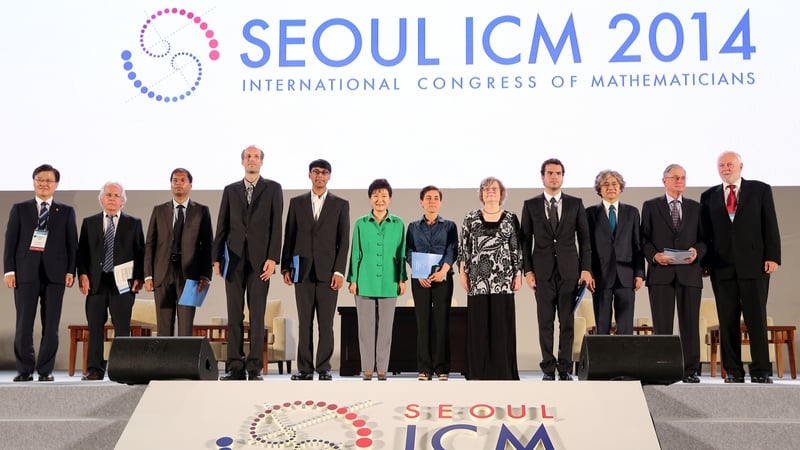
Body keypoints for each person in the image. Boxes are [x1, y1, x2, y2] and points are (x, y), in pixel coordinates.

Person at [700, 151, 781, 384]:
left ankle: (761, 370)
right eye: (721, 165)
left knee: (756, 319)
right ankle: (733, 371)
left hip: (755, 265)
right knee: (727, 320)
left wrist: (773, 256)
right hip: (721, 267)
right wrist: (705, 264)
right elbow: (706, 233)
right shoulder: (708, 196)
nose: (725, 168)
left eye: (730, 164)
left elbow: (770, 224)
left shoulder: (760, 189)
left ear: (741, 166)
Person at [213, 145, 283, 381]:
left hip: (261, 261)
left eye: (256, 157)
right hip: (233, 259)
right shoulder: (230, 190)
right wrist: (216, 258)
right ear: (242, 162)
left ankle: (254, 367)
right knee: (234, 315)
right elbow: (221, 225)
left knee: (257, 314)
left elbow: (276, 225)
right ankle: (234, 365)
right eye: (248, 157)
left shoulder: (273, 188)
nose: (252, 160)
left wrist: (273, 258)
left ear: (262, 162)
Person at [3, 164, 77, 382]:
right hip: (25, 273)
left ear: (56, 185)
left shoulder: (65, 211)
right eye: (40, 179)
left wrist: (70, 270)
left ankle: (46, 370)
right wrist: (9, 270)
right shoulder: (20, 209)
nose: (44, 184)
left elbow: (72, 244)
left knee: (51, 325)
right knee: (24, 324)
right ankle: (24, 369)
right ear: (34, 182)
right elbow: (10, 243)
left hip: (55, 276)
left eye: (49, 180)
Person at [520, 159, 592, 381]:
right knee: (545, 322)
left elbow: (585, 240)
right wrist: (528, 272)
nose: (554, 177)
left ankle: (564, 368)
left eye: (558, 173)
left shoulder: (575, 203)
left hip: (569, 271)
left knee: (567, 322)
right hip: (542, 273)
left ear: (563, 176)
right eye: (550, 173)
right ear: (542, 176)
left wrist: (585, 269)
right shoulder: (530, 205)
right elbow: (525, 242)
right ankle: (548, 369)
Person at [281, 159, 350, 381]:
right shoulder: (297, 203)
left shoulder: (340, 204)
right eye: (316, 172)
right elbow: (289, 236)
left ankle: (323, 368)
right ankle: (304, 369)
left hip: (328, 273)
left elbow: (343, 241)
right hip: (302, 271)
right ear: (309, 175)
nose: (319, 176)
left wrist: (339, 271)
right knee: (304, 323)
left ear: (329, 176)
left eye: (324, 172)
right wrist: (286, 267)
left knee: (326, 324)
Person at [640, 164, 706, 383]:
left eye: (683, 177)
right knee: (662, 325)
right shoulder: (650, 206)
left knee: (690, 324)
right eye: (675, 177)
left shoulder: (696, 207)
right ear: (664, 181)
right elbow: (643, 239)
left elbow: (705, 240)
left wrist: (697, 251)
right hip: (661, 273)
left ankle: (690, 370)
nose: (680, 181)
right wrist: (655, 256)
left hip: (689, 273)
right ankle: (663, 368)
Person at [77, 182, 145, 381]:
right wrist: (82, 275)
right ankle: (94, 369)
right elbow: (82, 254)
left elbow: (140, 252)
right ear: (101, 199)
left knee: (122, 327)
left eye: (116, 195)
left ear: (122, 201)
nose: (112, 199)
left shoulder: (133, 223)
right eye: (108, 195)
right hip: (96, 283)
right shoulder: (89, 223)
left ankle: (122, 367)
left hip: (123, 284)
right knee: (95, 326)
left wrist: (139, 278)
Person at [458, 176, 522, 380]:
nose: (490, 191)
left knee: (501, 328)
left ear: (501, 193)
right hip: (477, 281)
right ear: (481, 194)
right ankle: (478, 371)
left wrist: (518, 274)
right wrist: (462, 272)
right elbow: (464, 249)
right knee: (478, 328)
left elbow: (516, 248)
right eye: (486, 189)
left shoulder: (511, 218)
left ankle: (502, 372)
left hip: (503, 282)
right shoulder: (471, 218)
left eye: (494, 188)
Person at [347, 178, 407, 381]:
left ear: (389, 199)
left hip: (390, 281)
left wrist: (402, 279)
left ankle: (382, 369)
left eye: (384, 196)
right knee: (365, 329)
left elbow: (401, 254)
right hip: (365, 280)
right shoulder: (361, 224)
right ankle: (367, 370)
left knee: (385, 329)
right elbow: (355, 253)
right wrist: (353, 279)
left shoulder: (398, 224)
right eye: (376, 196)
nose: (379, 200)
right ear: (370, 198)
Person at [144, 168, 213, 336]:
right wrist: (148, 275)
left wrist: (206, 275)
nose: (178, 184)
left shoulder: (201, 211)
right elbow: (150, 244)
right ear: (170, 185)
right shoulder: (159, 210)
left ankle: (184, 363)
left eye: (182, 180)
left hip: (190, 277)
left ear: (190, 185)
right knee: (164, 327)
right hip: (162, 274)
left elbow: (208, 246)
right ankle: (164, 363)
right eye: (175, 180)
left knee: (185, 327)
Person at [406, 186, 458, 381]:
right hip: (420, 279)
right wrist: (418, 272)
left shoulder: (449, 226)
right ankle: (424, 368)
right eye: (428, 198)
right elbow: (409, 251)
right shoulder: (413, 226)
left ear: (441, 202)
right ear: (421, 202)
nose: (432, 201)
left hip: (442, 278)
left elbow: (452, 249)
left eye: (436, 198)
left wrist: (444, 270)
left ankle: (442, 368)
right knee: (423, 322)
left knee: (442, 322)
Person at [585, 170, 645, 334]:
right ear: (599, 189)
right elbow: (586, 247)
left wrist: (639, 273)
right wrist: (588, 272)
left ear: (620, 188)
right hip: (600, 276)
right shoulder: (589, 213)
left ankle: (625, 360)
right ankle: (603, 360)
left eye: (614, 184)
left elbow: (637, 245)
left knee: (625, 327)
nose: (610, 187)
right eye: (606, 184)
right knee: (602, 325)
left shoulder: (632, 212)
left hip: (626, 276)